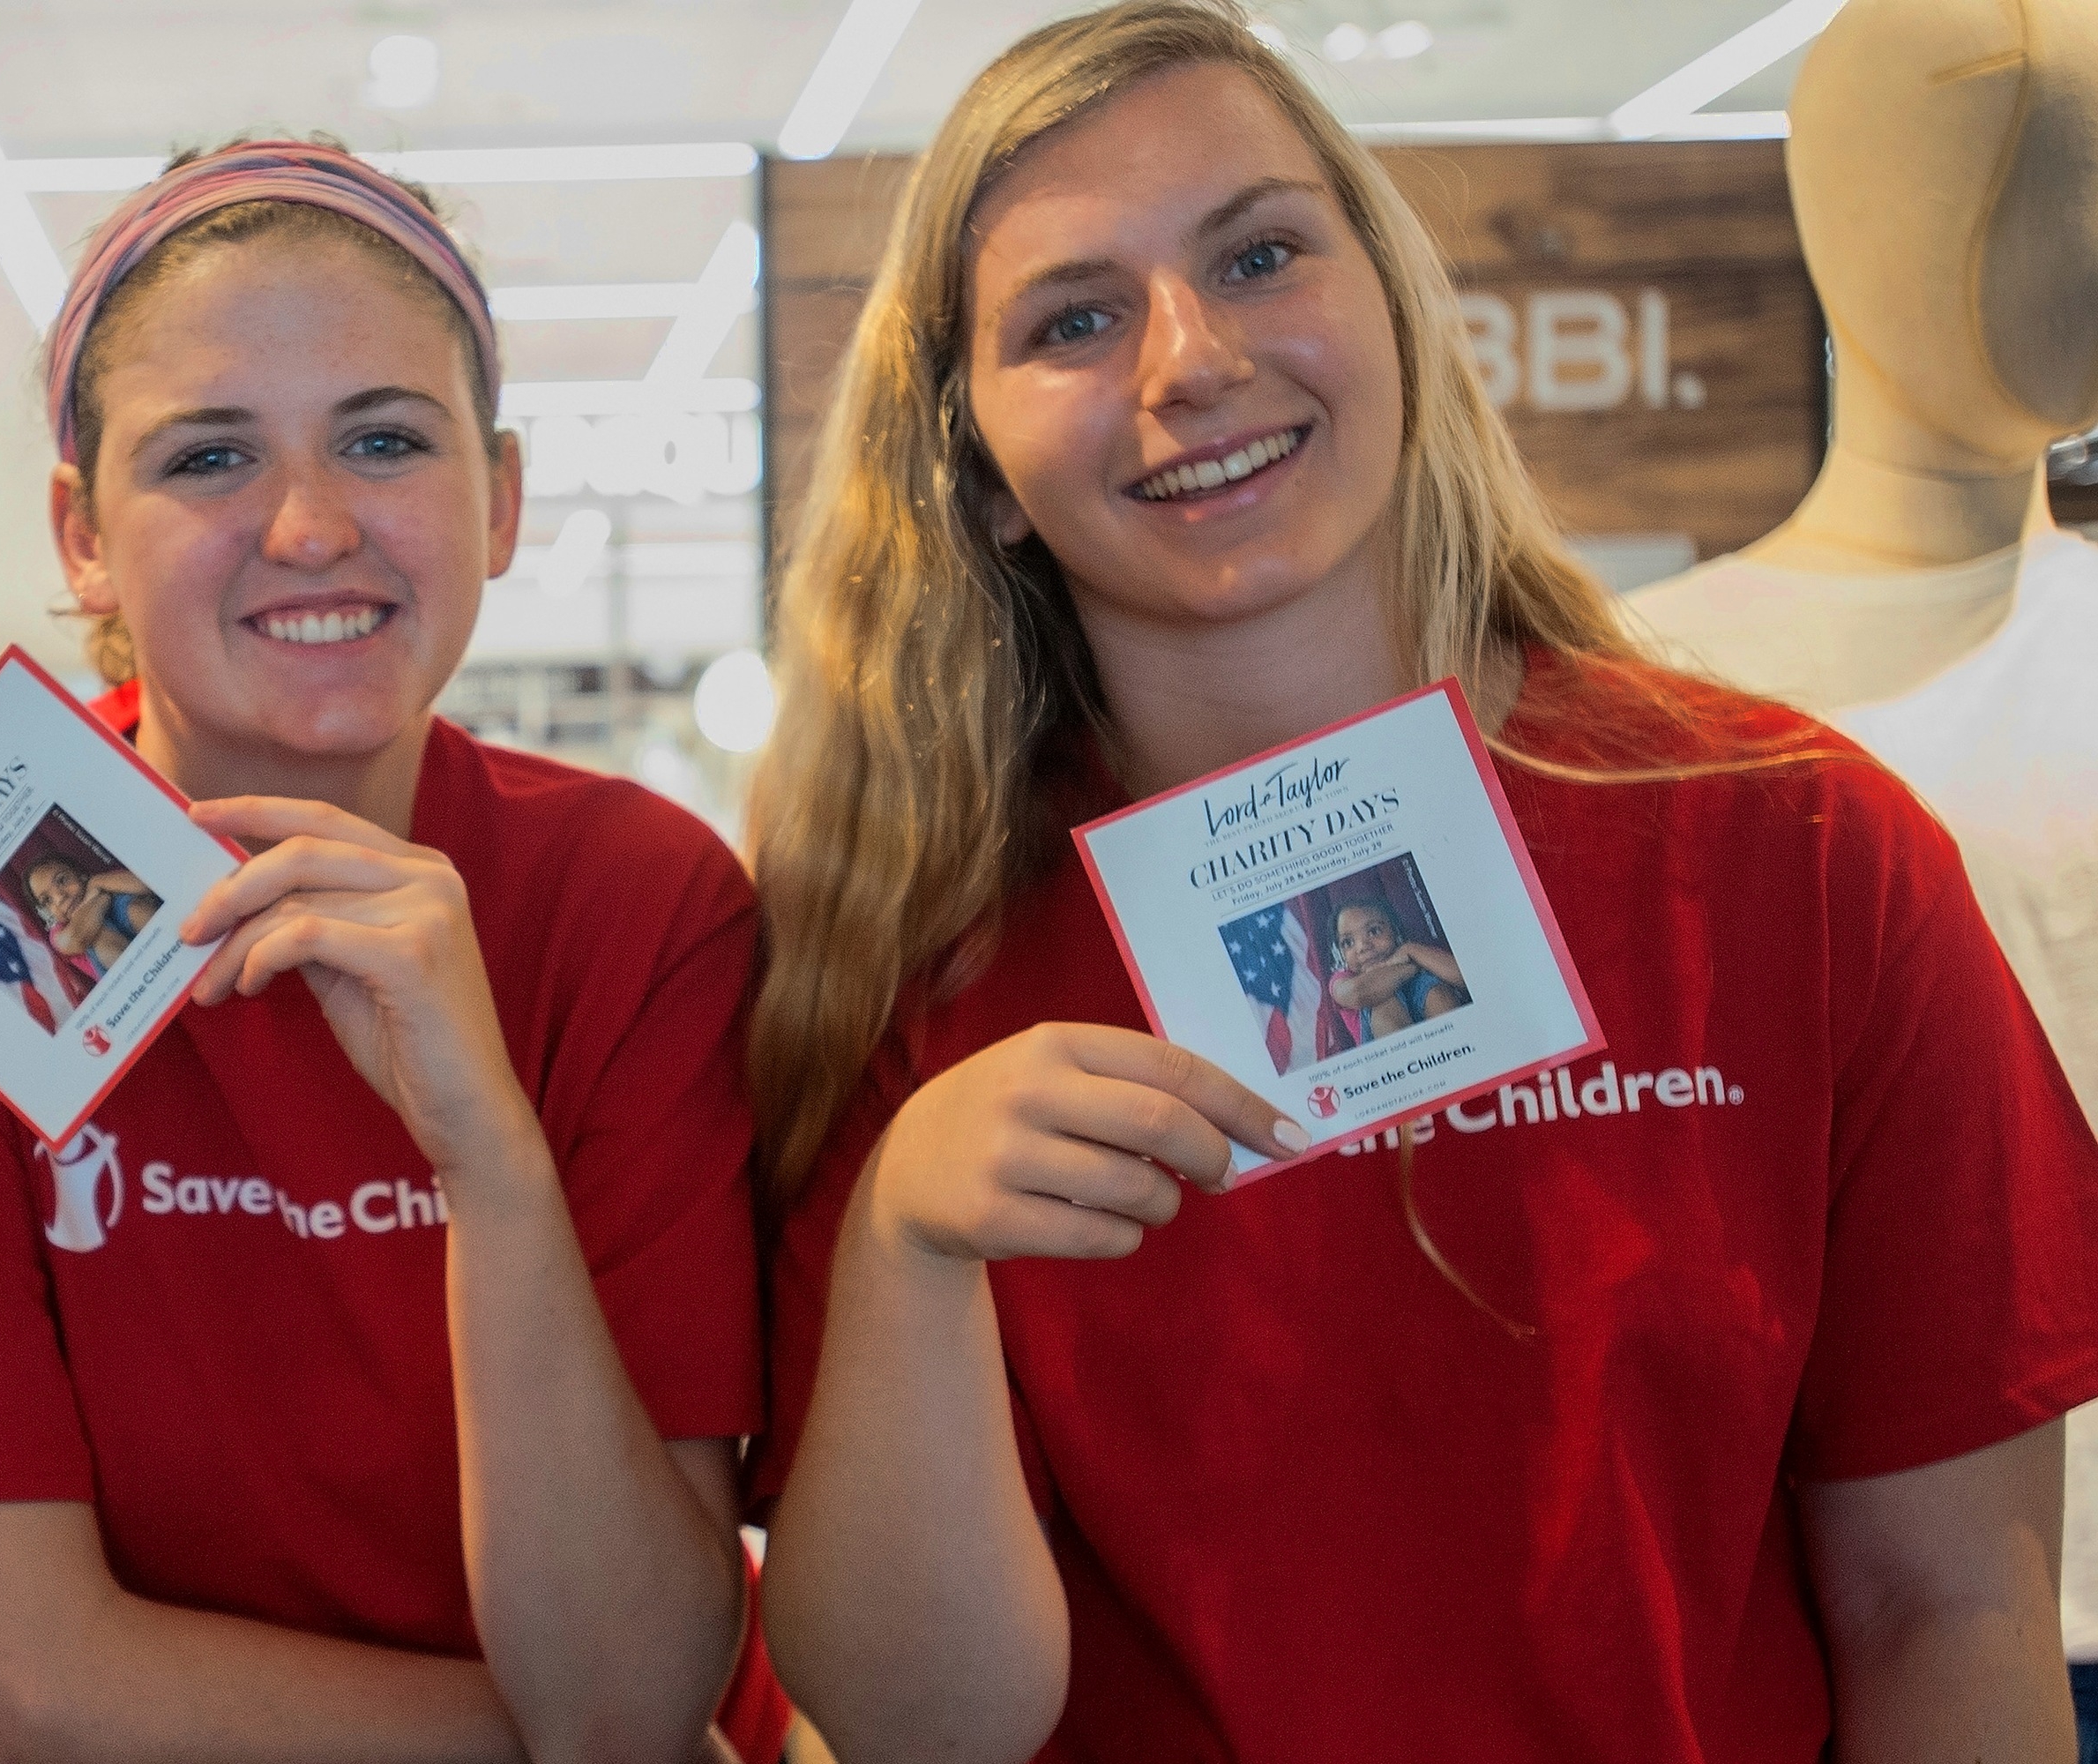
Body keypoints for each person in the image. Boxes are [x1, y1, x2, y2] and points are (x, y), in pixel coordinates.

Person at [737, 6, 2098, 1761]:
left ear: (1388, 303)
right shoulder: (892, 955)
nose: (1187, 360)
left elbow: (1951, 1609)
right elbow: (915, 1725)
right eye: (1072, 318)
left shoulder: (1793, 848)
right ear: (981, 476)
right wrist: (906, 1242)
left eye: (1255, 254)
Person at [0, 139, 786, 1762]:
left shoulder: (640, 902)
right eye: (208, 458)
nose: (310, 527)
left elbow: (635, 1676)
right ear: (81, 534)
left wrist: (487, 1162)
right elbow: (25, 1686)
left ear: (499, 500)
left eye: (384, 440)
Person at [1325, 896, 1463, 1040]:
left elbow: (1465, 977)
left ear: (1395, 931)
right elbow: (1357, 993)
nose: (1362, 947)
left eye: (1374, 931)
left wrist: (1412, 950)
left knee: (1431, 988)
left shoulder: (1409, 953)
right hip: (1384, 1052)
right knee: (1380, 998)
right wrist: (1412, 966)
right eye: (1348, 942)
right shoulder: (1344, 977)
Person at [25, 856, 157, 977]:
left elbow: (146, 884)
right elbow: (75, 939)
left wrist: (96, 882)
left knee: (133, 909)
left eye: (62, 880)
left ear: (80, 875)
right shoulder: (59, 931)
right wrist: (102, 897)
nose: (59, 898)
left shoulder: (103, 881)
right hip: (127, 980)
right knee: (96, 934)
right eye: (47, 900)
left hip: (158, 940)